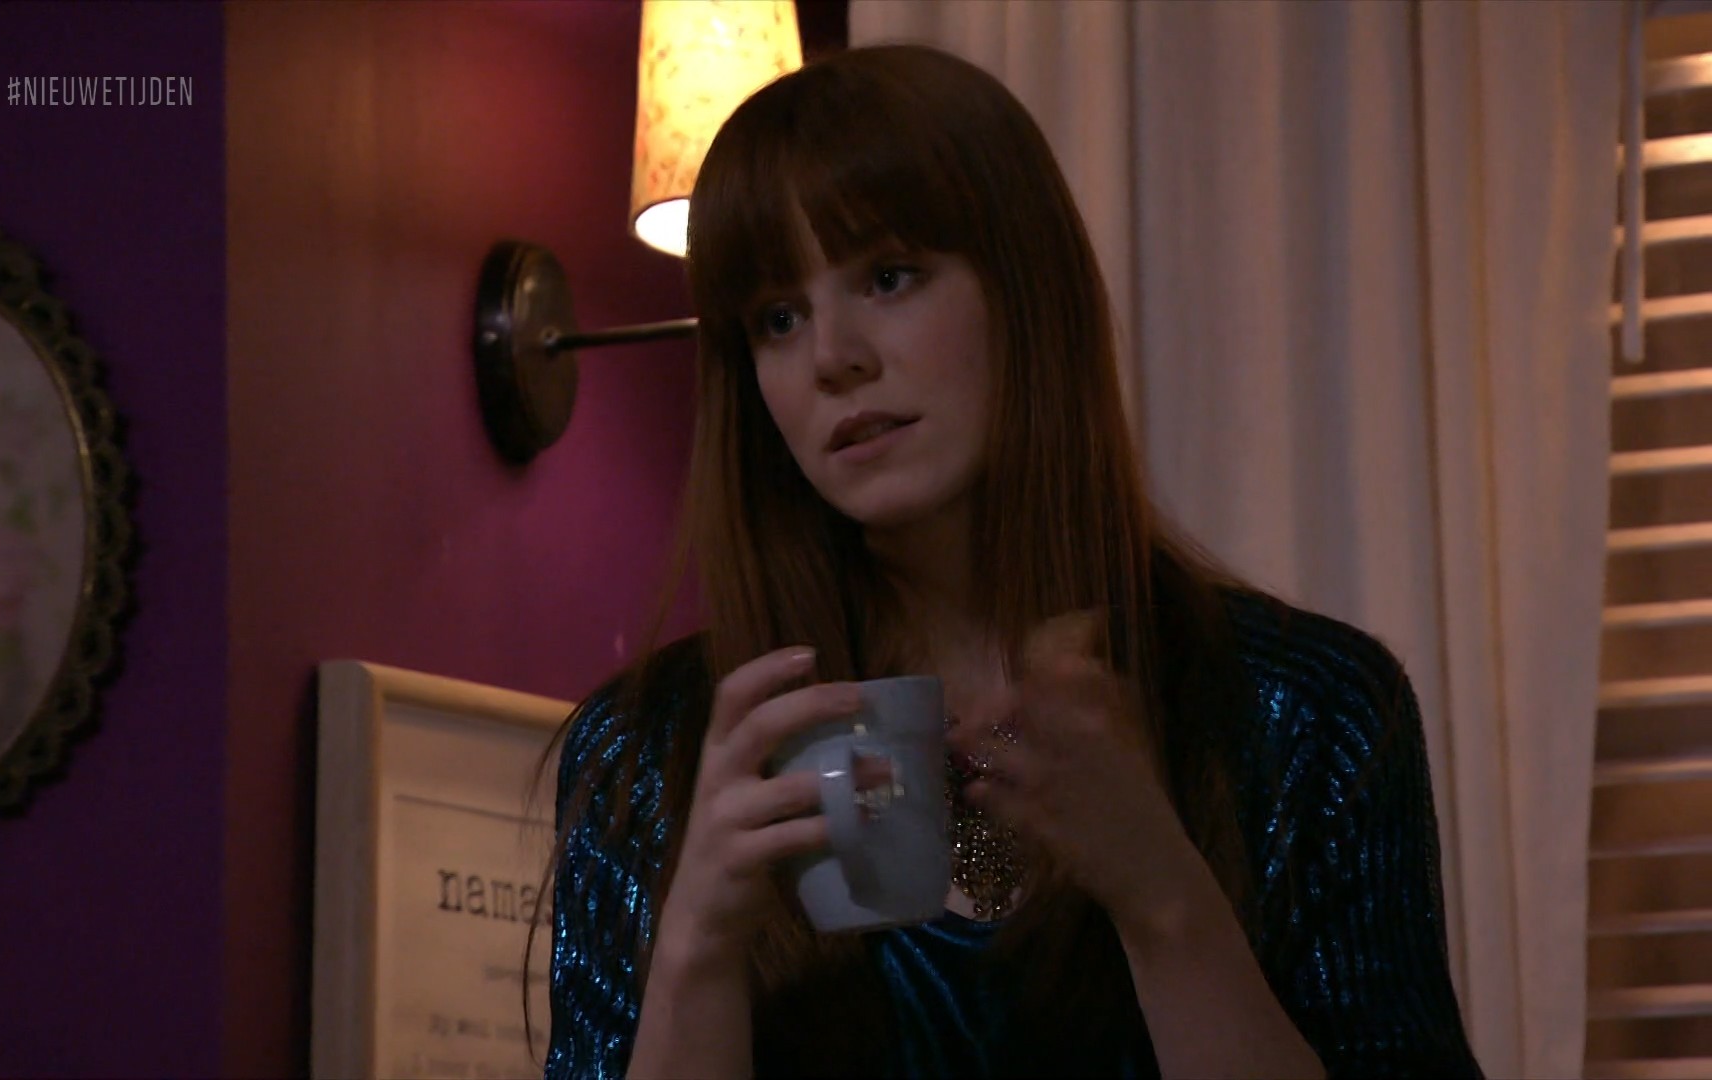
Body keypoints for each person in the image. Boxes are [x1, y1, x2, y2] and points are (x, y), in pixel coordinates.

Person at [536, 44, 1483, 1079]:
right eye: (778, 318)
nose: (833, 356)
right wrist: (695, 957)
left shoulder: (1308, 712)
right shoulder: (651, 752)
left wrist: (1164, 899)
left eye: (888, 277)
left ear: (1028, 291)